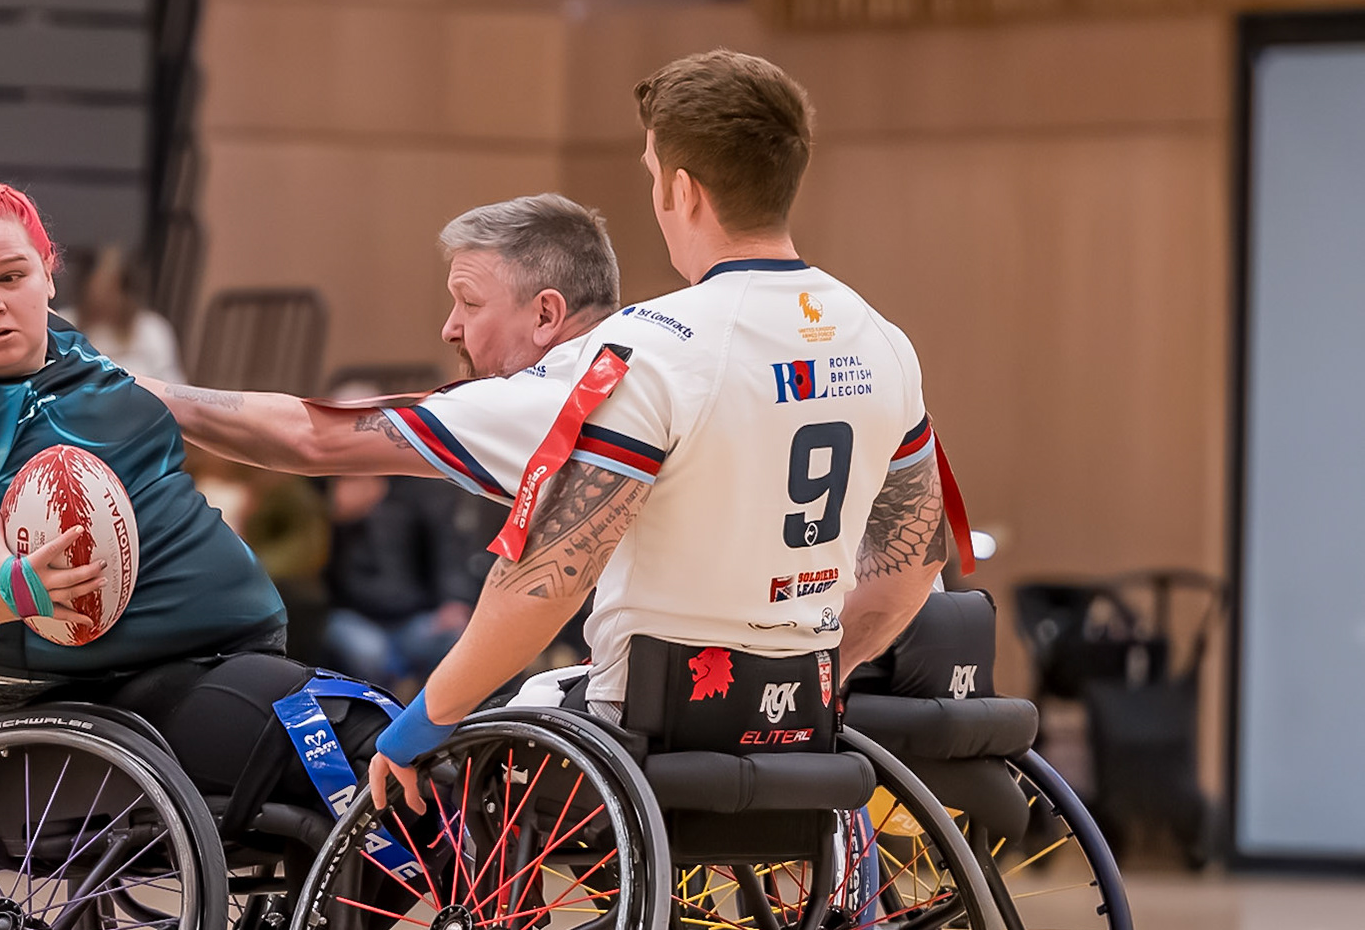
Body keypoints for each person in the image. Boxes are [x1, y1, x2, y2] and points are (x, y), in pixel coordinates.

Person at [147, 53, 949, 809]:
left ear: (684, 190)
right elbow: (916, 561)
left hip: (643, 732)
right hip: (800, 723)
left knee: (417, 758)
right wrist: (820, 675)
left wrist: (426, 718)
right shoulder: (882, 340)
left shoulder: (653, 349)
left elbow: (549, 578)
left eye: (651, 178)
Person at [0, 184, 389, 842]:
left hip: (215, 663)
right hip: (105, 705)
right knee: (375, 750)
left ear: (48, 276)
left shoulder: (68, 352)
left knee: (407, 750)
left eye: (12, 275)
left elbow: (240, 420)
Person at [317, 379, 492, 689]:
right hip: (351, 615)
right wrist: (337, 519)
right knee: (366, 652)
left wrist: (454, 601)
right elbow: (305, 563)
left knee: (459, 643)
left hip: (415, 617)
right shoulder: (319, 485)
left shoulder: (416, 479)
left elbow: (448, 547)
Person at [70, 245, 186, 382]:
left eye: (110, 289)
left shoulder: (152, 330)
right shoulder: (66, 323)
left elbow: (172, 384)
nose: (101, 297)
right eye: (97, 287)